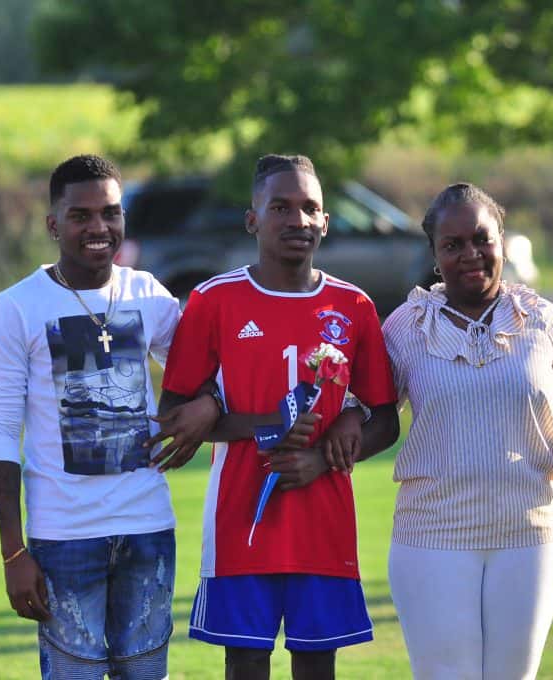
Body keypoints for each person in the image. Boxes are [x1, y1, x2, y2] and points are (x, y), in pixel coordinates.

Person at [154, 154, 400, 680]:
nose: (298, 220)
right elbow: (174, 413)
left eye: (310, 208)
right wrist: (262, 422)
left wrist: (326, 455)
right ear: (253, 219)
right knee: (245, 663)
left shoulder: (353, 306)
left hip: (323, 523)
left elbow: (384, 419)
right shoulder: (213, 301)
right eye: (281, 207)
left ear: (326, 221)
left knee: (317, 664)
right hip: (242, 523)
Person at [0, 154, 219, 680]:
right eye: (81, 216)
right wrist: (12, 551)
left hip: (147, 528)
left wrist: (210, 406)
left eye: (110, 213)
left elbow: (204, 370)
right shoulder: (17, 307)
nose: (99, 227)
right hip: (63, 536)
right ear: (53, 224)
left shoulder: (147, 293)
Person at [381, 183, 553, 680]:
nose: (470, 254)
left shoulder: (543, 320)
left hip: (529, 535)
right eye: (453, 245)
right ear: (435, 255)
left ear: (501, 241)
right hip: (431, 535)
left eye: (482, 239)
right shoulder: (406, 327)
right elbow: (372, 413)